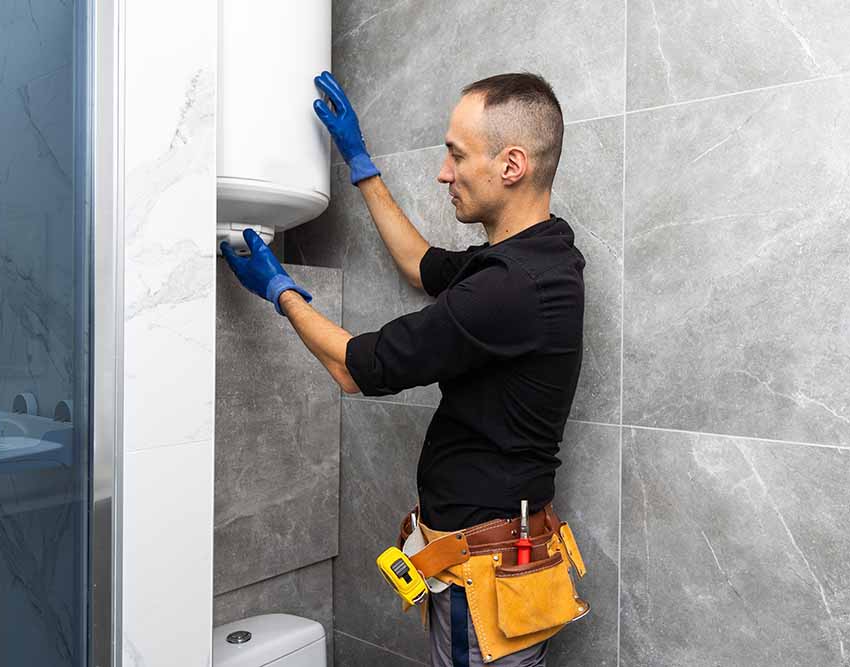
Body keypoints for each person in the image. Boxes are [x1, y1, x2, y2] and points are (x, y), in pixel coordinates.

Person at [221, 70, 587, 667]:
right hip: (487, 564)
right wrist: (359, 161)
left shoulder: (513, 287)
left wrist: (280, 289)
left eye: (456, 154)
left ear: (511, 165)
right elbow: (419, 264)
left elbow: (352, 368)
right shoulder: (537, 255)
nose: (444, 172)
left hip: (484, 580)